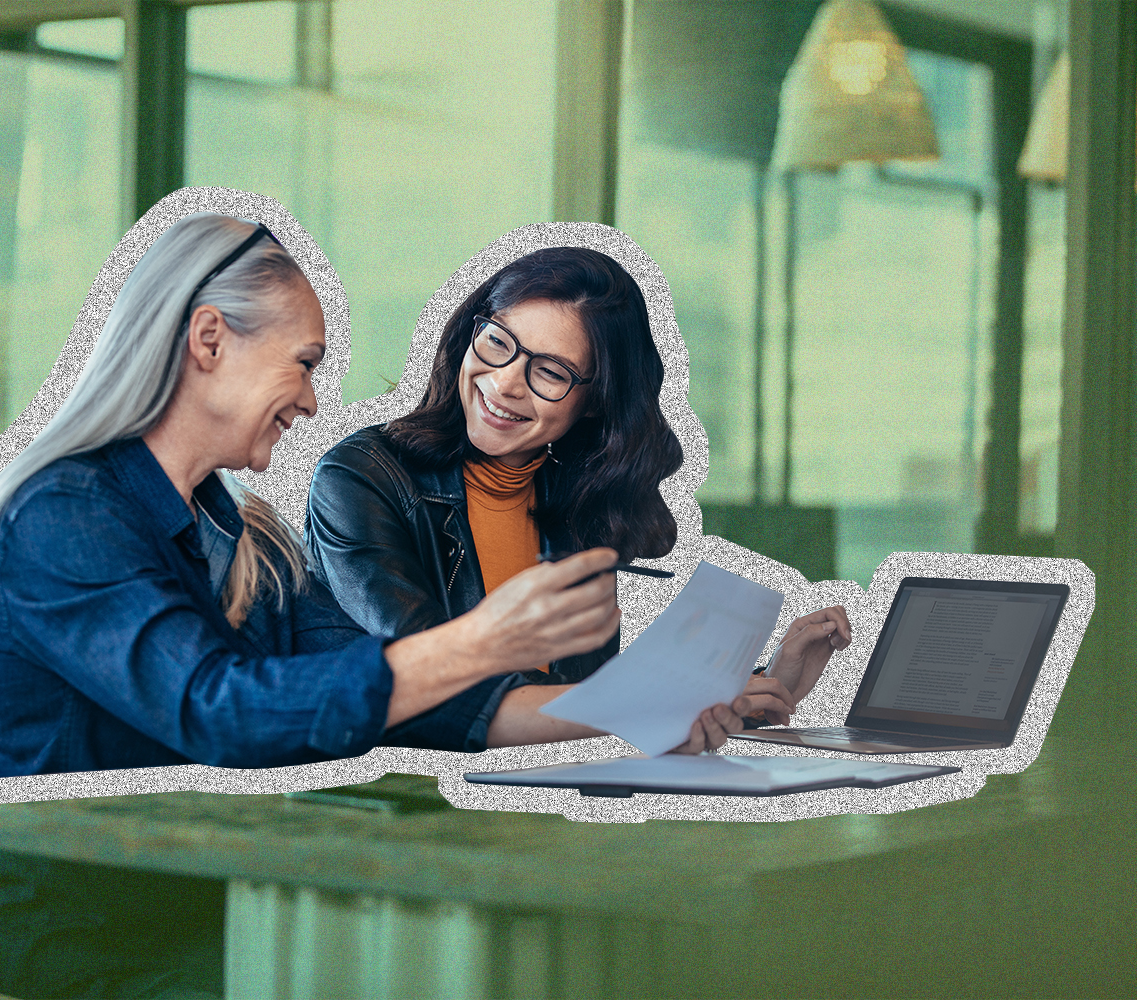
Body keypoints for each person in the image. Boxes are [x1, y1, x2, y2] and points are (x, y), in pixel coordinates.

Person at [0, 215, 793, 998]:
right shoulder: (60, 515)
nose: (314, 398)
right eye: (304, 363)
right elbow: (219, 710)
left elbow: (397, 699)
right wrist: (482, 640)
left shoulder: (244, 534)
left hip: (212, 925)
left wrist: (647, 712)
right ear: (209, 339)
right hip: (69, 952)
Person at [305, 245, 852, 740]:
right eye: (498, 341)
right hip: (406, 803)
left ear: (593, 403)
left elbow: (589, 698)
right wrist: (654, 705)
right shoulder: (361, 477)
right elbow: (429, 680)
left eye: (551, 371)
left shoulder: (578, 501)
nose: (505, 382)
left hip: (541, 801)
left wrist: (766, 684)